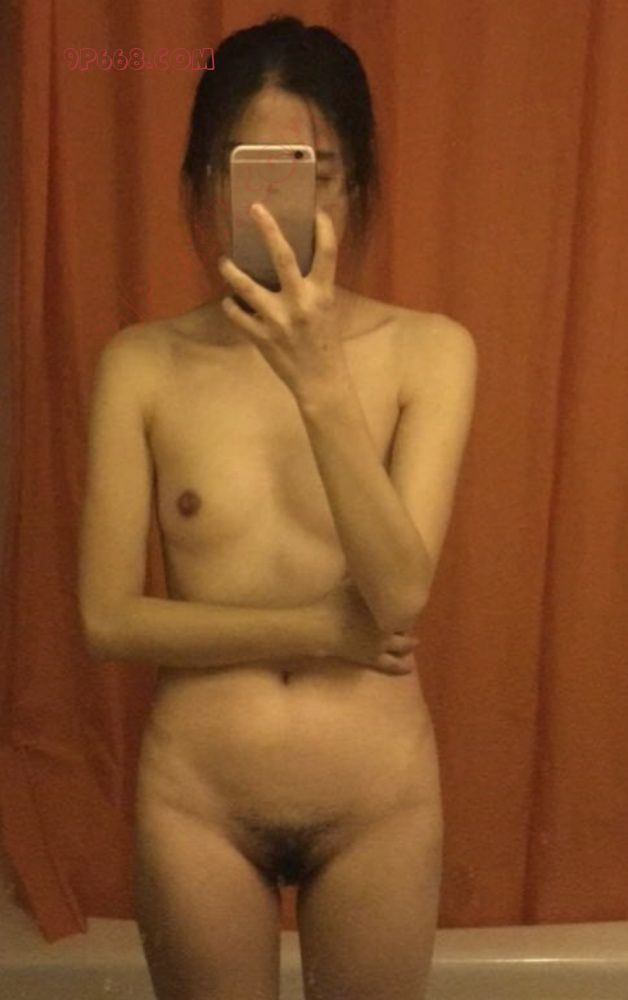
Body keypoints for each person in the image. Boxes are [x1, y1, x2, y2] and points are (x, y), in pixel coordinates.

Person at [79, 13, 477, 1000]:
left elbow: (399, 593)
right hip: (198, 803)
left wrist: (316, 381)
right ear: (203, 182)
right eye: (244, 170)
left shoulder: (430, 353)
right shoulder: (142, 364)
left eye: (313, 172)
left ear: (354, 186)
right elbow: (107, 618)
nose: (271, 206)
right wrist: (319, 628)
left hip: (376, 802)